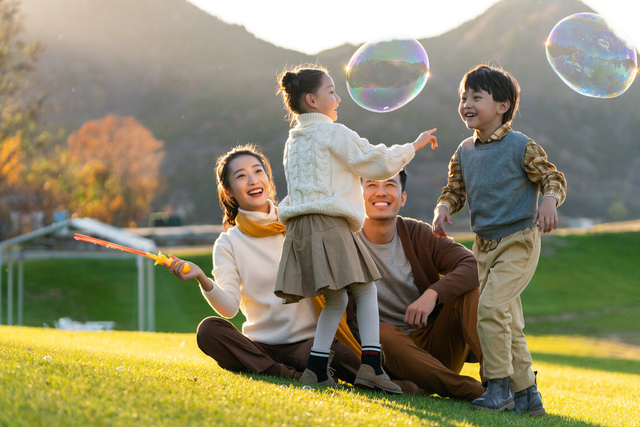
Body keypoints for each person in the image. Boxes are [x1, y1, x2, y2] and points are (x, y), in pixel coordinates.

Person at [274, 63, 437, 393]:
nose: (338, 99)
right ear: (312, 100)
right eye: (331, 92)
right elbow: (375, 163)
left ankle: (316, 371)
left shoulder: (294, 141)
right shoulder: (333, 132)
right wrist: (413, 147)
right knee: (366, 290)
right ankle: (372, 367)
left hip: (301, 230)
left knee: (337, 301)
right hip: (329, 225)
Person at [433, 64, 567, 416]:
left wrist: (550, 201)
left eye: (476, 97)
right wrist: (443, 208)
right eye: (463, 97)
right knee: (509, 321)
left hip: (518, 241)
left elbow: (552, 178)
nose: (466, 103)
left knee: (489, 310)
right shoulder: (463, 150)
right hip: (484, 247)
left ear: (503, 105)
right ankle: (528, 397)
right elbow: (454, 190)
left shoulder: (521, 146)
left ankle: (497, 387)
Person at [167, 144, 360, 384]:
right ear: (228, 191)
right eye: (241, 176)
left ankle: (292, 371)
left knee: (341, 356)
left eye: (258, 172)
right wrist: (202, 278)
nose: (252, 180)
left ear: (268, 179)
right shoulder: (228, 243)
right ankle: (287, 375)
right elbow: (228, 309)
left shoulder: (298, 223)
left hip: (311, 344)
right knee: (209, 331)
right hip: (261, 347)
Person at [355, 169, 485, 401]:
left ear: (403, 197)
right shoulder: (345, 242)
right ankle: (468, 390)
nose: (381, 192)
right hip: (386, 356)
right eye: (372, 185)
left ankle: (498, 381)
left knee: (468, 293)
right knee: (379, 333)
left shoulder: (417, 233)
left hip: (436, 346)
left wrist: (433, 293)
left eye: (390, 185)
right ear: (357, 195)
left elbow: (473, 264)